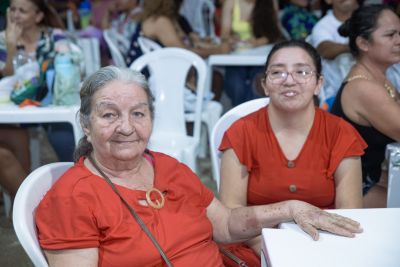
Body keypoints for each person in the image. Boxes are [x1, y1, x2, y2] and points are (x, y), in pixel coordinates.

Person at [35, 66, 363, 267]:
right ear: (85, 124)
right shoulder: (72, 199)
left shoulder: (166, 167)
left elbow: (226, 226)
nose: (126, 127)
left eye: (138, 113)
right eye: (109, 115)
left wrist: (290, 208)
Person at [219, 40, 366, 266]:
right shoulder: (241, 132)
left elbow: (350, 216)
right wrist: (274, 252)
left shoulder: (341, 133)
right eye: (277, 72)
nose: (289, 80)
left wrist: (311, 254)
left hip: (324, 247)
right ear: (265, 84)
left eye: (302, 71)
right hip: (254, 245)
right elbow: (230, 214)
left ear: (319, 84)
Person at [331, 4, 400, 208]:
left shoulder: (379, 78)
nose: (399, 40)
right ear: (363, 43)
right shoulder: (363, 87)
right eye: (391, 35)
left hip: (378, 181)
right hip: (357, 192)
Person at [0, 0, 76, 162]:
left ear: (38, 16)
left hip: (50, 104)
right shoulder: (3, 38)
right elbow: (5, 75)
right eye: (12, 9)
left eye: (22, 11)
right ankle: (26, 184)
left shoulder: (54, 36)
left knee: (64, 136)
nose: (16, 15)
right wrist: (11, 47)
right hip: (15, 106)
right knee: (15, 138)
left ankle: (74, 175)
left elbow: (68, 66)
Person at [220, 0, 283, 106]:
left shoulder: (270, 2)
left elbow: (275, 33)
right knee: (236, 85)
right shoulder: (230, 2)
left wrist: (257, 42)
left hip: (262, 57)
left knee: (258, 84)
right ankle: (243, 118)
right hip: (236, 58)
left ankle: (252, 118)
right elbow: (224, 34)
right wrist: (231, 39)